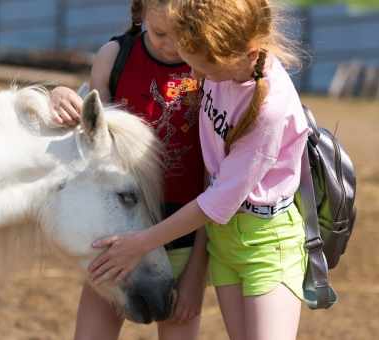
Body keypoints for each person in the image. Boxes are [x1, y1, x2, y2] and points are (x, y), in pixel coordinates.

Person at [88, 1, 309, 339]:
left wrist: (141, 244)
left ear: (239, 53)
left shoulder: (269, 108)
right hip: (223, 242)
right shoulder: (223, 71)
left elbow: (217, 201)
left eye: (203, 68)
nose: (193, 77)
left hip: (265, 240)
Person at [50, 1, 208, 339]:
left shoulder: (208, 67)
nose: (171, 44)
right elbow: (91, 133)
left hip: (184, 230)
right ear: (141, 14)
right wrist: (60, 95)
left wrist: (195, 276)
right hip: (120, 228)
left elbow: (215, 181)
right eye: (160, 32)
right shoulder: (114, 56)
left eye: (183, 34)